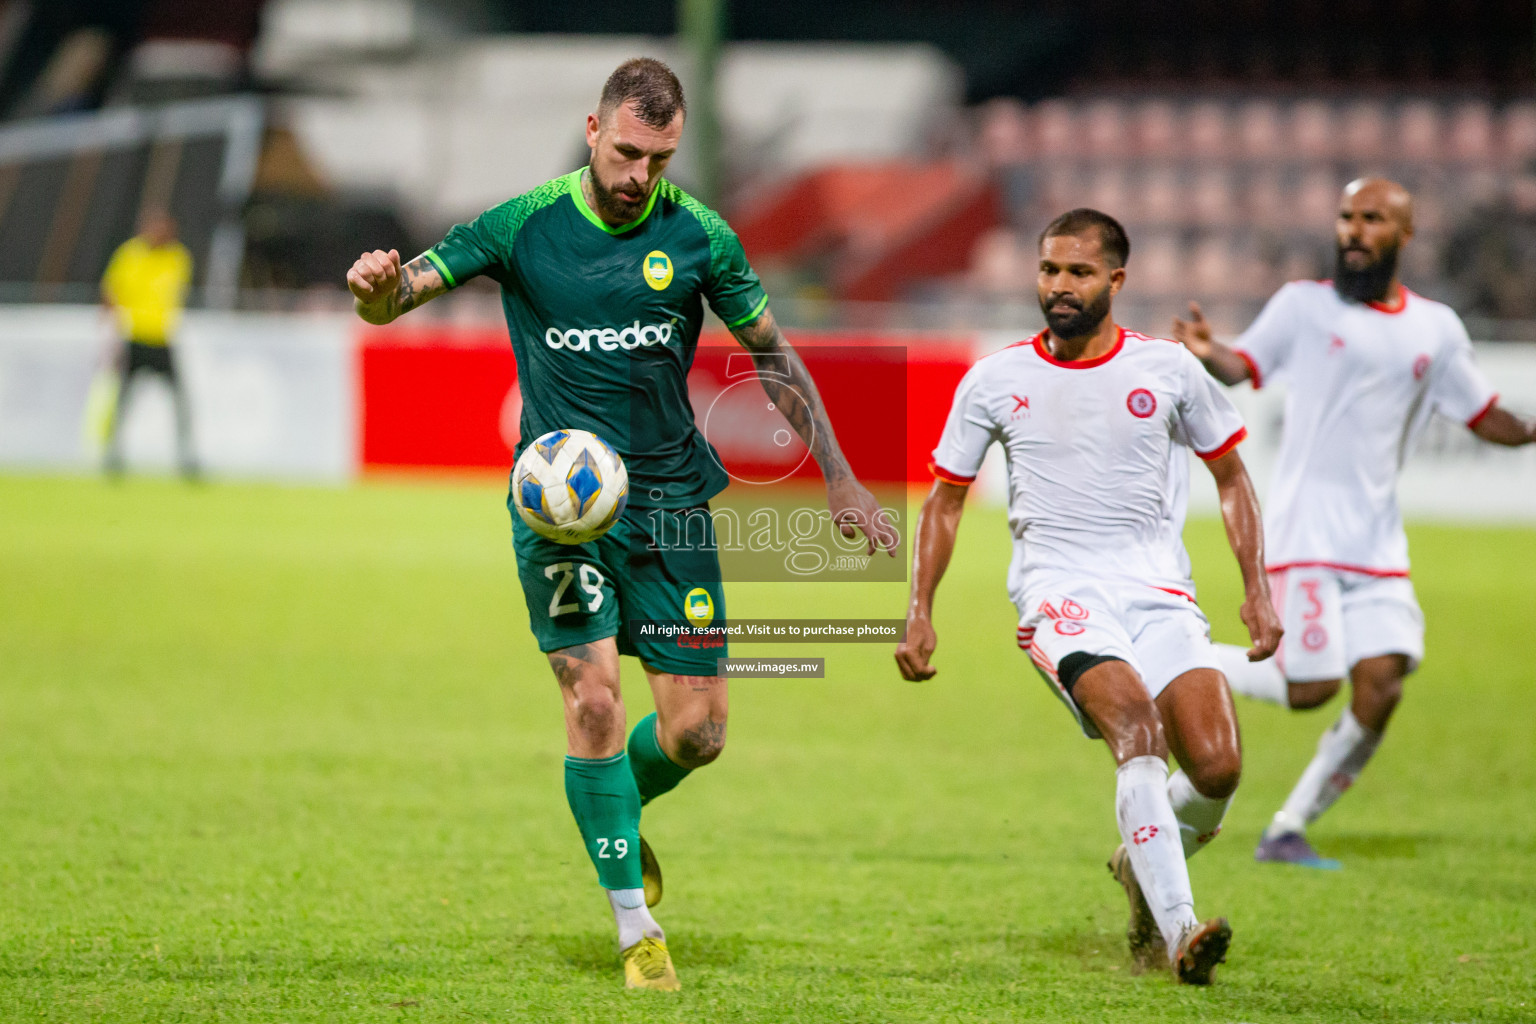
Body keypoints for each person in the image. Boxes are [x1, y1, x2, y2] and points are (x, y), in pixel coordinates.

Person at [345, 58, 894, 991]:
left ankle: (613, 815)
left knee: (699, 734)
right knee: (592, 699)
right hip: (562, 510)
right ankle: (636, 930)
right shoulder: (523, 223)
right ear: (593, 132)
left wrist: (840, 480)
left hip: (674, 507)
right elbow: (406, 292)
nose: (642, 175)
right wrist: (375, 287)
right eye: (630, 152)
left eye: (662, 158)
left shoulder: (699, 238)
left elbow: (772, 354)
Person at [896, 208, 1282, 984]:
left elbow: (1232, 476)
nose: (1058, 286)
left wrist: (1257, 592)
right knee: (1138, 734)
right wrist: (920, 610)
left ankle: (1138, 867)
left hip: (1160, 593)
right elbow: (943, 500)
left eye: (1077, 272)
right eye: (1048, 270)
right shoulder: (996, 379)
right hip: (1060, 594)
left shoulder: (1169, 371)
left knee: (1219, 769)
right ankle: (1180, 933)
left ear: (1116, 279)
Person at [1174, 177, 1536, 868]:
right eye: (1346, 217)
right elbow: (1240, 363)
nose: (1353, 231)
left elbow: (1482, 413)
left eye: (1371, 219)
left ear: (1403, 233)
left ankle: (1287, 828)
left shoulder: (1436, 328)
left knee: (1382, 682)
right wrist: (1205, 350)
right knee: (1310, 688)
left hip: (1377, 543)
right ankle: (1175, 661)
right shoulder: (1302, 307)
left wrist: (1533, 428)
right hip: (1307, 534)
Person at [101, 208, 198, 478]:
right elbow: (112, 290)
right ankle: (112, 453)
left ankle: (186, 456)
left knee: (179, 401)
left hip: (162, 338)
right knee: (123, 401)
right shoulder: (130, 255)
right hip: (135, 338)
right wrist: (109, 330)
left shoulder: (177, 257)